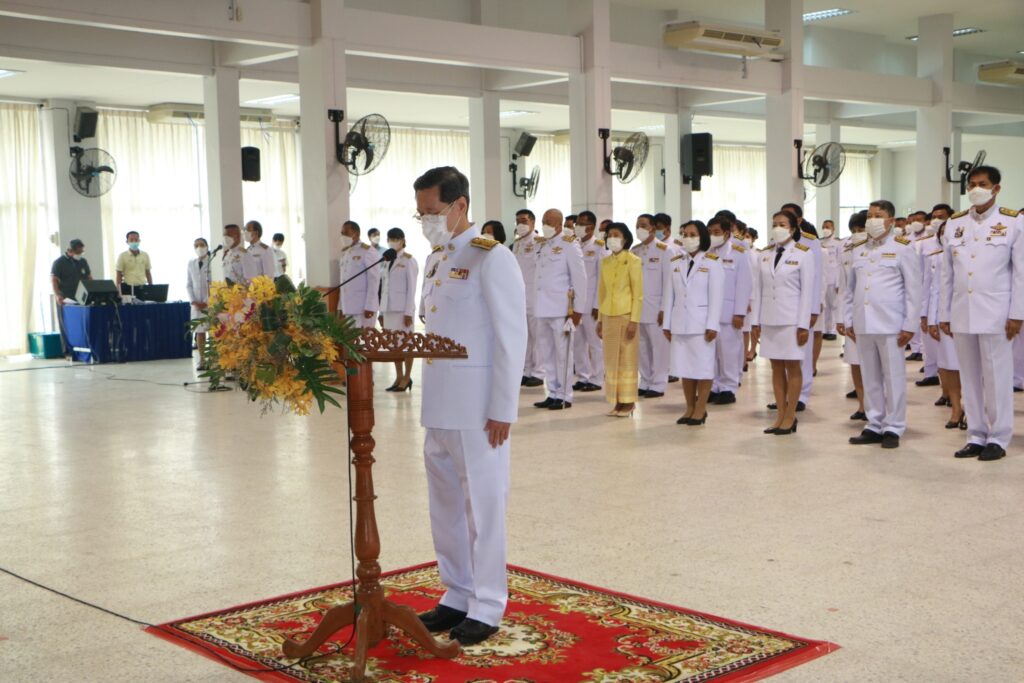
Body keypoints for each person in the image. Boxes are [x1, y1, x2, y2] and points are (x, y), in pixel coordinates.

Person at [413, 165, 526, 647]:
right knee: (445, 508)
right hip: (439, 404)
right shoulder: (437, 259)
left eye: (432, 212)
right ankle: (456, 593)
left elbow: (511, 338)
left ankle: (487, 604)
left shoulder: (491, 257)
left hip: (478, 409)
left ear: (460, 205)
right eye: (420, 214)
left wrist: (503, 408)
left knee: (483, 506)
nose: (426, 221)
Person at [940, 165, 1024, 462]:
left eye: (983, 184)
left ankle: (998, 437)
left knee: (997, 377)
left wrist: (1017, 314)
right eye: (972, 184)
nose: (976, 189)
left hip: (996, 313)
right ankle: (975, 435)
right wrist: (944, 313)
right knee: (970, 376)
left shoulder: (1013, 222)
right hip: (963, 311)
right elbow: (947, 274)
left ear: (996, 188)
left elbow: (1020, 273)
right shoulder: (955, 223)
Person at [844, 200, 921, 450]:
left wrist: (909, 325)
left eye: (878, 215)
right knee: (870, 376)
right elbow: (850, 289)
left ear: (891, 220)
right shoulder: (858, 249)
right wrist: (848, 319)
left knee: (893, 377)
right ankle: (874, 423)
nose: (872, 220)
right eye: (869, 215)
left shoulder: (903, 248)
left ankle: (894, 426)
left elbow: (913, 290)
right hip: (864, 322)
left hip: (891, 323)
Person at [750, 211, 815, 436]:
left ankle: (790, 415)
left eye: (783, 224)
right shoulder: (765, 254)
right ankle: (780, 414)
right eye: (775, 224)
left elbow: (807, 292)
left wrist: (803, 325)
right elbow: (758, 290)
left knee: (793, 367)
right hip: (769, 319)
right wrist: (755, 322)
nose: (777, 228)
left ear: (793, 228)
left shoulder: (803, 253)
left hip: (791, 320)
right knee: (776, 367)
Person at [663, 220, 723, 425]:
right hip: (680, 322)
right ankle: (689, 407)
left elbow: (716, 296)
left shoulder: (712, 262)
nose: (688, 238)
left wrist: (712, 324)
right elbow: (669, 295)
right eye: (685, 234)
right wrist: (667, 324)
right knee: (684, 368)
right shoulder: (675, 262)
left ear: (702, 237)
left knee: (703, 368)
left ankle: (700, 408)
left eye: (692, 234)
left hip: (702, 325)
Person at [532, 208, 586, 410]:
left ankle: (565, 395)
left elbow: (580, 279)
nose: (544, 224)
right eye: (543, 220)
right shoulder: (542, 244)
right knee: (547, 353)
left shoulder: (569, 244)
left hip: (562, 310)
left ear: (558, 224)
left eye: (549, 221)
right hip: (542, 308)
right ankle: (553, 392)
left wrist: (578, 310)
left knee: (563, 354)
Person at [701, 216, 752, 406]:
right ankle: (713, 386)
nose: (712, 236)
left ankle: (728, 387)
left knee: (729, 351)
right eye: (710, 232)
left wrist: (740, 313)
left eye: (716, 232)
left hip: (729, 312)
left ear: (727, 233)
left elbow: (744, 284)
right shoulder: (705, 253)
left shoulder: (738, 253)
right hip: (708, 313)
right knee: (711, 352)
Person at [597, 223, 643, 417]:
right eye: (609, 235)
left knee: (626, 360)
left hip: (626, 315)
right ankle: (616, 401)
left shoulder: (633, 261)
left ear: (625, 239)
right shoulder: (605, 262)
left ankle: (628, 402)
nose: (612, 238)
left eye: (616, 235)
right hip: (608, 315)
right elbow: (602, 292)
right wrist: (600, 319)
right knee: (611, 361)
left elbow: (638, 294)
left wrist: (634, 321)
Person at [780, 203, 822, 413]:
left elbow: (816, 277)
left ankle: (801, 395)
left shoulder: (811, 242)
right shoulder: (776, 242)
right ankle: (784, 396)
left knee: (801, 353)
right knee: (783, 355)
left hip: (803, 307)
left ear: (798, 221)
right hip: (782, 309)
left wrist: (813, 309)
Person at [925, 221, 964, 430]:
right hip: (945, 317)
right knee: (949, 365)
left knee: (972, 368)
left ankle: (974, 409)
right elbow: (934, 290)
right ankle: (956, 409)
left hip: (968, 314)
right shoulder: (936, 257)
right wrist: (932, 319)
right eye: (941, 233)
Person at [632, 213, 672, 398]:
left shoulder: (665, 250)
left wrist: (664, 309)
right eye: (637, 225)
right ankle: (645, 380)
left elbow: (668, 283)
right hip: (638, 308)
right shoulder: (635, 251)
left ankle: (658, 383)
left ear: (653, 228)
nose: (639, 229)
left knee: (659, 347)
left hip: (656, 308)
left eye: (643, 225)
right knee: (642, 347)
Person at [835, 211, 868, 421]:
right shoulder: (846, 249)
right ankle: (863, 405)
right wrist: (841, 318)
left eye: (861, 229)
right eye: (854, 230)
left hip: (877, 314)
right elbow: (843, 286)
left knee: (876, 364)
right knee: (855, 361)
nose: (857, 233)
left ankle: (878, 405)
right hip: (853, 313)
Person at [379, 227, 419, 391]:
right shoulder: (386, 259)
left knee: (407, 343)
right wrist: (381, 312)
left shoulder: (409, 260)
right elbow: (383, 287)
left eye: (396, 239)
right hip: (388, 308)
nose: (393, 242)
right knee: (394, 344)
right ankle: (399, 376)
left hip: (403, 310)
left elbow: (412, 289)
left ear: (403, 240)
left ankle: (407, 376)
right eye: (390, 239)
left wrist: (409, 312)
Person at [573, 210, 604, 393]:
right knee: (577, 343)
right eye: (577, 223)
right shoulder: (573, 245)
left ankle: (597, 378)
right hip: (575, 304)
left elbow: (601, 279)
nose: (578, 227)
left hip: (591, 304)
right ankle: (582, 376)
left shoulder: (600, 247)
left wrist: (597, 305)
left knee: (594, 343)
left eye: (582, 224)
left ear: (591, 227)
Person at [512, 209, 544, 387]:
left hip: (535, 295)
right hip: (520, 295)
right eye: (518, 221)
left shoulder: (539, 242)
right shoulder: (517, 244)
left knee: (537, 335)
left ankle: (539, 372)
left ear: (532, 222)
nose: (520, 224)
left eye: (524, 220)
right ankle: (526, 370)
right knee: (524, 335)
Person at [51, 239, 93, 354]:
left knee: (82, 324)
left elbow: (89, 277)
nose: (80, 254)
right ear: (70, 250)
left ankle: (83, 349)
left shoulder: (83, 261)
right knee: (67, 325)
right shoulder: (59, 262)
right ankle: (68, 351)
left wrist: (93, 291)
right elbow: (54, 280)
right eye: (78, 252)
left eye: (82, 252)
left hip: (82, 298)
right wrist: (57, 295)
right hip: (66, 298)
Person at [337, 220, 380, 329]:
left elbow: (374, 280)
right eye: (342, 233)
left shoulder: (368, 251)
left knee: (364, 338)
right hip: (348, 307)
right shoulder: (345, 252)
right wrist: (340, 306)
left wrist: (370, 306)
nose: (343, 236)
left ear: (356, 234)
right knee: (350, 339)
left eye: (346, 233)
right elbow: (343, 282)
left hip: (363, 308)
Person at [186, 237, 212, 370]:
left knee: (213, 331)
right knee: (199, 332)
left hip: (210, 303)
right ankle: (202, 360)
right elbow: (189, 284)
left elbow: (214, 284)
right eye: (196, 245)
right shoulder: (191, 263)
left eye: (202, 245)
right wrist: (194, 301)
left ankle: (215, 360)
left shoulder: (212, 262)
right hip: (196, 304)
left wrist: (207, 301)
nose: (199, 248)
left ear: (207, 246)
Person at [820, 220, 841, 341]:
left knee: (833, 305)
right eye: (823, 227)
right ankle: (824, 329)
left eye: (827, 227)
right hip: (824, 279)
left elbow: (839, 263)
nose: (825, 229)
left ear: (833, 229)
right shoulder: (820, 242)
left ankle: (832, 330)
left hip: (833, 278)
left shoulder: (838, 243)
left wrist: (839, 282)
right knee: (824, 306)